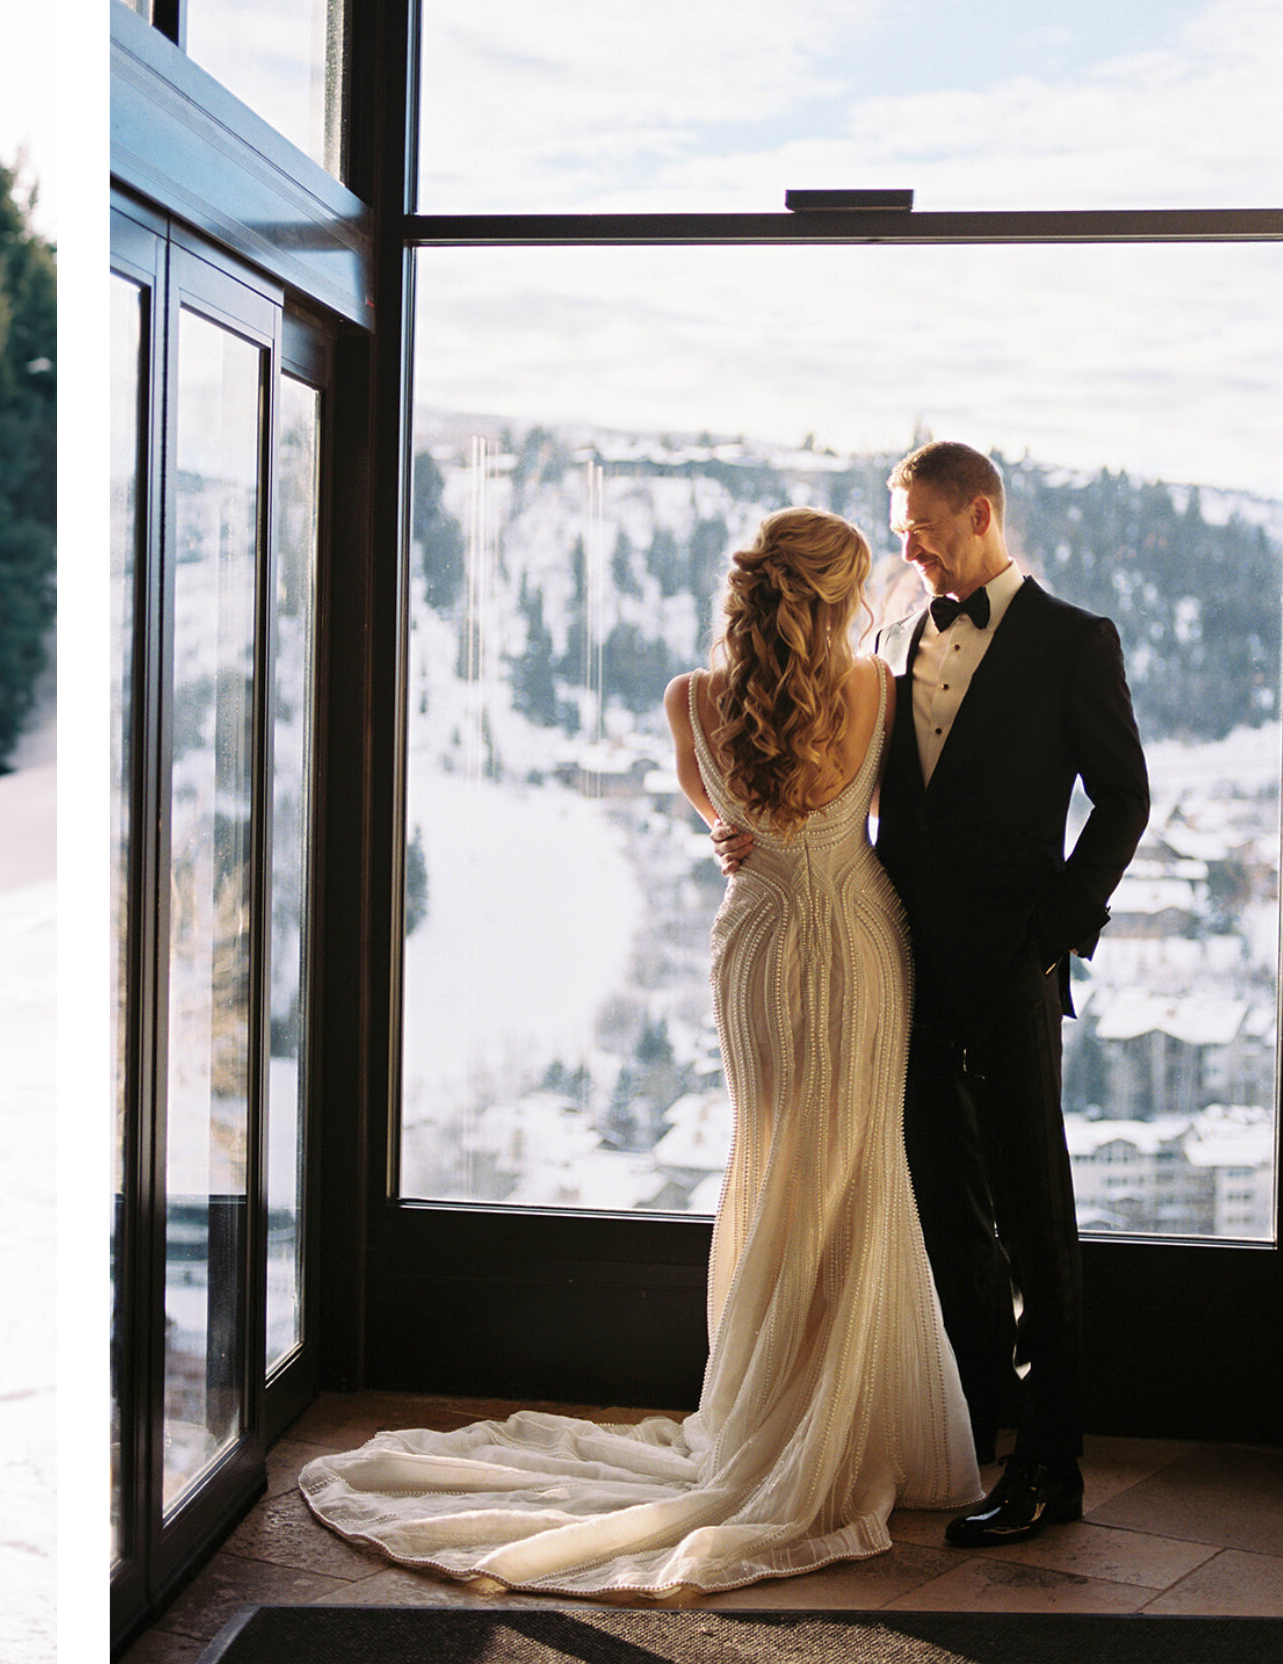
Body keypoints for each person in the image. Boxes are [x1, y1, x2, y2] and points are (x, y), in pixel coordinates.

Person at [299, 507, 981, 1599]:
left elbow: (717, 814)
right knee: (855, 1169)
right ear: (834, 598)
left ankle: (769, 1407)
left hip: (757, 946)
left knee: (775, 1162)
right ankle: (832, 1417)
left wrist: (741, 831)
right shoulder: (874, 689)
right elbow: (883, 815)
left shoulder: (692, 700)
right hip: (856, 941)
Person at [866, 440, 1149, 1545]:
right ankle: (978, 1422)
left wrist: (1052, 934)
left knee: (1036, 1219)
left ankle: (1050, 1468)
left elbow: (1122, 800)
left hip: (1013, 968)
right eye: (900, 531)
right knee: (947, 1205)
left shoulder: (1075, 640)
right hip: (905, 966)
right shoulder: (900, 632)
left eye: (920, 530)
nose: (909, 549)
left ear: (979, 512)